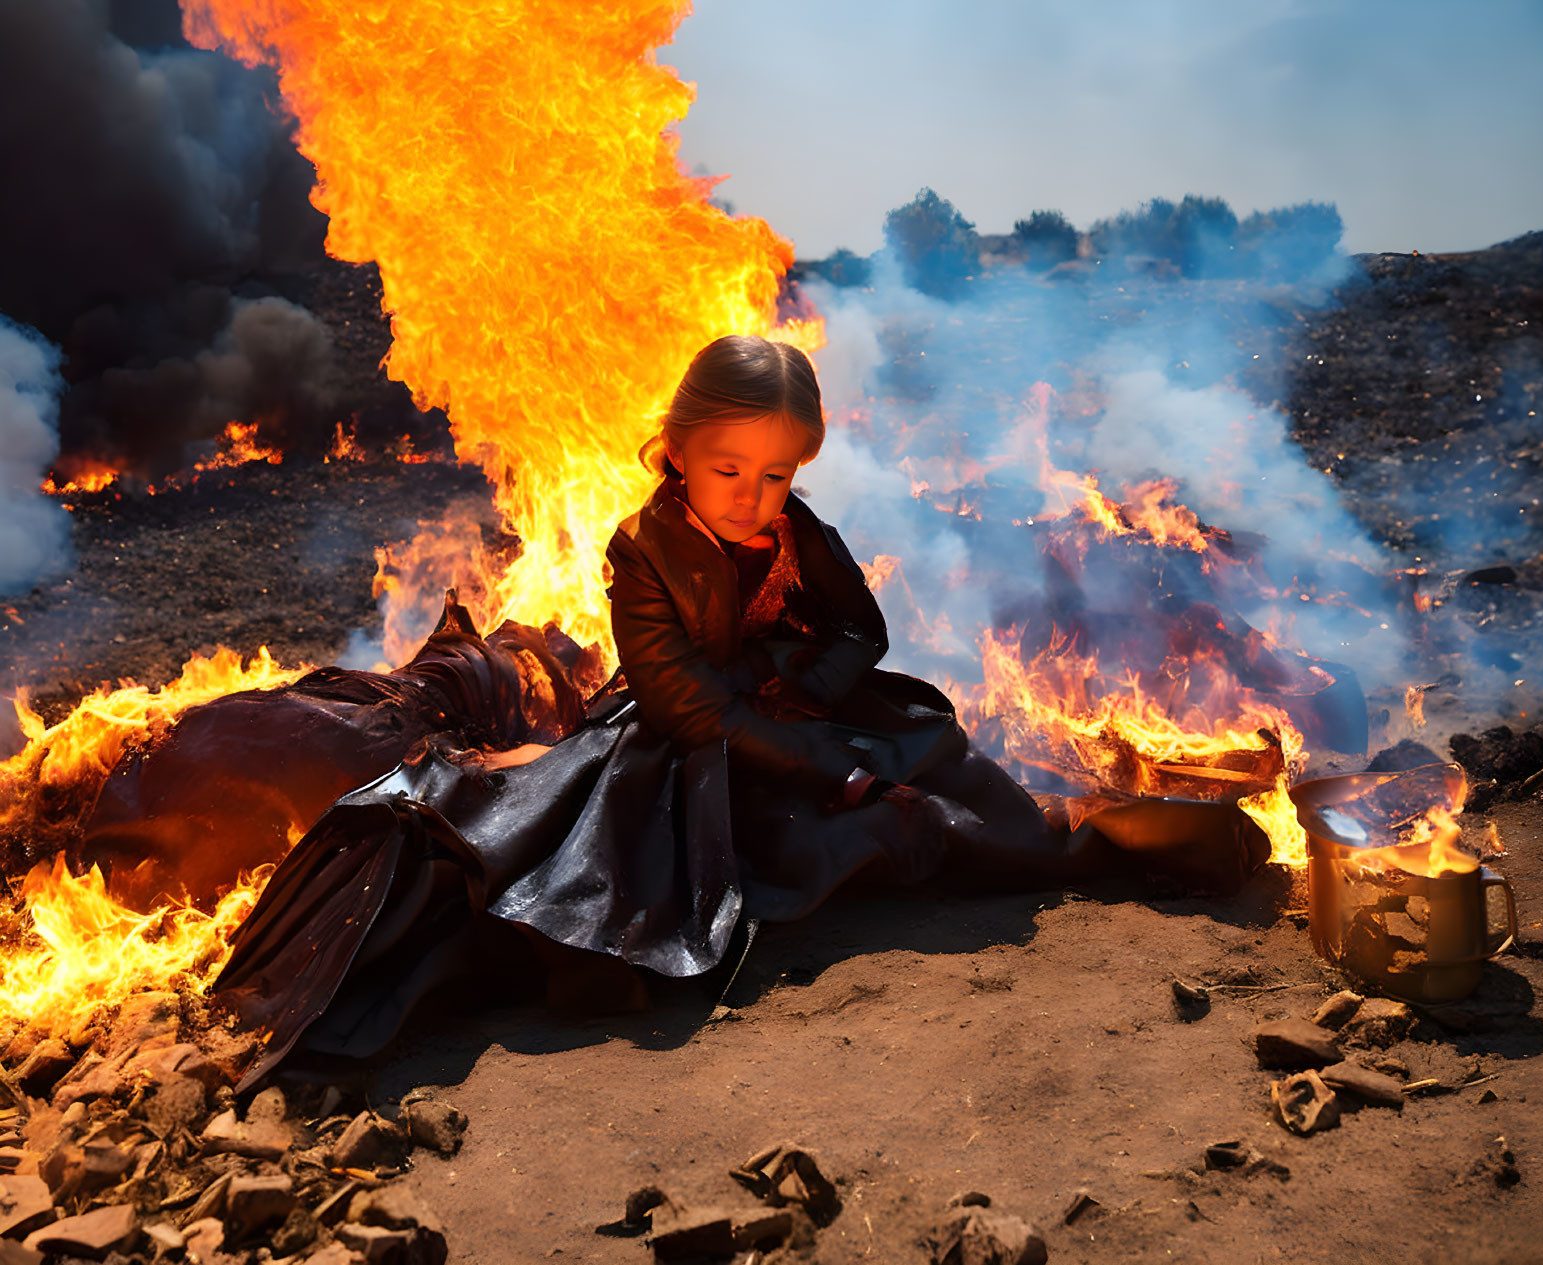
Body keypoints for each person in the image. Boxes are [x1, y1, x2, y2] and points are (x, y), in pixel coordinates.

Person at [206, 334, 1092, 1086]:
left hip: (788, 705)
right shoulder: (643, 550)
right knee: (660, 864)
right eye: (729, 468)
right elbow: (679, 697)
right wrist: (826, 764)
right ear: (676, 449)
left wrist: (809, 687)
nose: (753, 495)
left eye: (776, 474)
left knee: (944, 773)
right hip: (689, 734)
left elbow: (862, 627)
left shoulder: (800, 531)